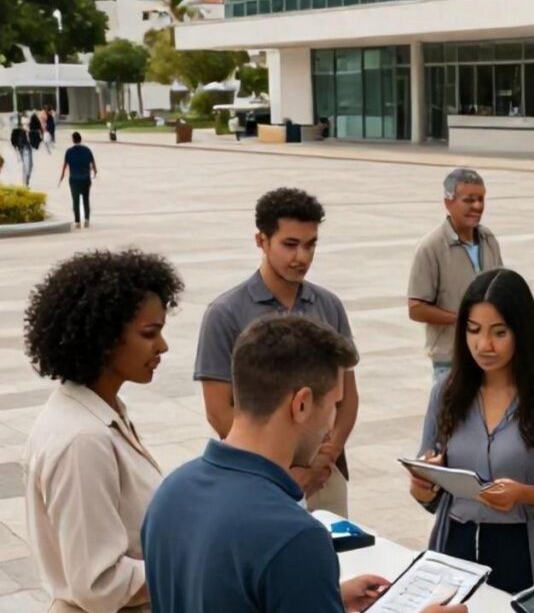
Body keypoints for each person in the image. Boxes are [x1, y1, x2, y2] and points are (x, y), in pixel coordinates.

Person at [144, 314, 468, 613]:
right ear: (301, 404)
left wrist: (325, 595)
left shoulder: (170, 493)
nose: (331, 426)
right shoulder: (293, 536)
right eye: (332, 406)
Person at [22, 249, 184, 612]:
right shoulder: (82, 439)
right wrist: (190, 565)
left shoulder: (99, 413)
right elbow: (98, 583)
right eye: (149, 333)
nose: (163, 346)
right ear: (105, 337)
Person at [409, 269, 534, 594]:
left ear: (522, 332)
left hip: (521, 550)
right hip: (455, 544)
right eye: (473, 331)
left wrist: (522, 494)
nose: (484, 345)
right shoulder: (445, 394)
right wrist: (423, 484)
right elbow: (430, 494)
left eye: (499, 333)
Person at [194, 187, 358, 516]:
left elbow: (348, 397)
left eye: (311, 245)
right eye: (290, 244)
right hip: (259, 481)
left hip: (325, 476)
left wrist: (323, 461)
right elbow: (218, 411)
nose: (302, 257)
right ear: (261, 240)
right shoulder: (225, 313)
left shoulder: (328, 306)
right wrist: (278, 469)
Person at [409, 168, 503, 380]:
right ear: (448, 202)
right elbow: (416, 309)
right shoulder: (431, 247)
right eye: (469, 200)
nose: (477, 206)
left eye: (481, 199)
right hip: (451, 360)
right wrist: (463, 320)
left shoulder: (488, 239)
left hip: (490, 357)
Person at [58, 132, 97, 229]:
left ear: (73, 140)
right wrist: (95, 172)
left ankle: (77, 221)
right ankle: (87, 219)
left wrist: (62, 176)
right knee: (86, 200)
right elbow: (93, 162)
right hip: (85, 178)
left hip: (74, 179)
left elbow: (65, 165)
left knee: (75, 201)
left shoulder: (69, 151)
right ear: (80, 139)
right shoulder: (87, 150)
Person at [10, 116, 32, 187]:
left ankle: (26, 181)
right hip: (23, 149)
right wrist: (17, 149)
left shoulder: (25, 130)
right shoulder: (17, 131)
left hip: (27, 148)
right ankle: (25, 183)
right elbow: (13, 142)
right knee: (27, 166)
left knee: (29, 166)